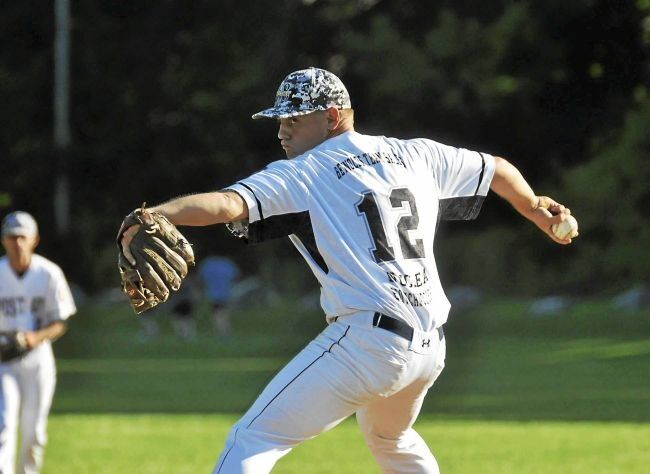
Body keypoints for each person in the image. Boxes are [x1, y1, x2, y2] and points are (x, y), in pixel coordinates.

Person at [121, 67, 575, 473]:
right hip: (428, 347)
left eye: (294, 120)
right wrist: (534, 206)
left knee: (253, 439)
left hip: (368, 342)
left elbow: (224, 204)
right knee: (391, 438)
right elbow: (494, 168)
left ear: (333, 116)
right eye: (280, 121)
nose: (282, 132)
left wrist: (154, 214)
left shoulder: (303, 172)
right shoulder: (414, 153)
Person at [0, 212, 76, 474]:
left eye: (23, 236)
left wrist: (35, 337)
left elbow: (60, 323)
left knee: (34, 433)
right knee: (3, 426)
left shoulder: (48, 274)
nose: (17, 242)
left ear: (35, 240)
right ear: (4, 240)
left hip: (37, 360)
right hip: (3, 362)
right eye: (12, 237)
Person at [198, 256, 240, 338]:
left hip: (213, 294)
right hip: (226, 293)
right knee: (224, 313)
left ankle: (221, 332)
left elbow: (201, 279)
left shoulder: (207, 264)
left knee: (217, 314)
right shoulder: (227, 263)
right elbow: (236, 275)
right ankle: (226, 330)